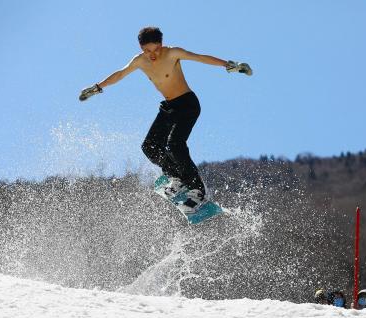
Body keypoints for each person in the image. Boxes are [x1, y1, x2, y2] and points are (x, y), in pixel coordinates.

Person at [79, 26, 252, 213]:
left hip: (187, 104)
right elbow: (120, 74)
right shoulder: (139, 61)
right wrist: (97, 87)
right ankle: (176, 177)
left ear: (161, 45)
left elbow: (200, 57)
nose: (152, 55)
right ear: (141, 48)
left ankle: (197, 190)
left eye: (156, 49)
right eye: (147, 51)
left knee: (175, 144)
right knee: (149, 146)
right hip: (169, 107)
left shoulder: (172, 53)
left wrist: (229, 65)